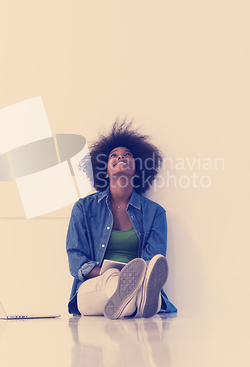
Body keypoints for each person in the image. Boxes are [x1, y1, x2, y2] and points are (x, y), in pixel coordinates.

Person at [66, 120, 177, 319]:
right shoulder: (83, 209)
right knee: (113, 280)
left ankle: (133, 302)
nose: (121, 158)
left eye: (127, 155)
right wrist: (116, 274)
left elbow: (153, 262)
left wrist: (137, 276)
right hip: (96, 286)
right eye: (114, 156)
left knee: (135, 292)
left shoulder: (155, 213)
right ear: (106, 170)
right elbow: (77, 262)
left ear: (136, 169)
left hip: (140, 281)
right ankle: (140, 301)